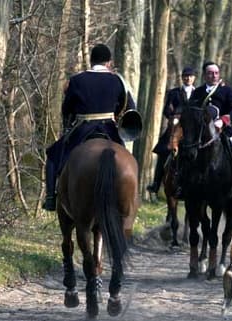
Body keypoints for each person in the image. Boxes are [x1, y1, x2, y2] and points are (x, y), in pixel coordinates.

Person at [43, 43, 136, 211]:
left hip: (82, 129)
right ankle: (132, 198)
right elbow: (129, 107)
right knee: (127, 161)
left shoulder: (77, 80)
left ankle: (50, 197)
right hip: (110, 130)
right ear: (109, 62)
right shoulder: (118, 80)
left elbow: (67, 109)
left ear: (91, 61)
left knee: (52, 156)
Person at [182, 61, 232, 202]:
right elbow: (190, 111)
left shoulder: (227, 91)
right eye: (210, 73)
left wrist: (223, 120)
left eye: (216, 73)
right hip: (200, 132)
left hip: (223, 129)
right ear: (205, 75)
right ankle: (182, 184)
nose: (214, 76)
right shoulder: (197, 92)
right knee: (184, 148)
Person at [146, 65, 197, 194]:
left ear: (194, 78)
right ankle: (156, 183)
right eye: (185, 76)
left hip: (190, 130)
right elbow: (166, 110)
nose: (188, 78)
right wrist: (172, 115)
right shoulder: (174, 92)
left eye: (190, 76)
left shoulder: (198, 93)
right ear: (182, 78)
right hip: (175, 126)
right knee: (163, 151)